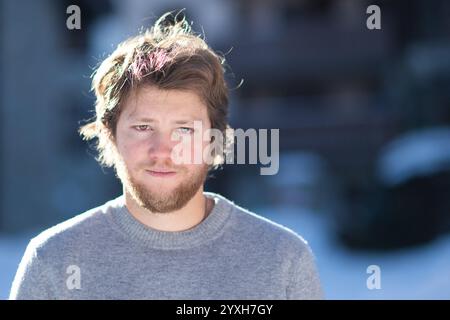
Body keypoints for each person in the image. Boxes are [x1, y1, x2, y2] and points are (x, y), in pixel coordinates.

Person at [9, 12, 323, 300]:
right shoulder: (53, 260)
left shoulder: (282, 260)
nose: (162, 150)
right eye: (143, 127)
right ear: (110, 134)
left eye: (184, 129)